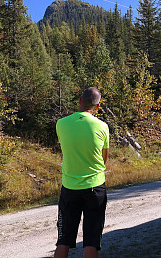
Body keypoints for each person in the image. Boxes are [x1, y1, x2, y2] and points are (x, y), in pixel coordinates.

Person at [54, 87, 110, 258]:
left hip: (69, 188)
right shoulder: (102, 126)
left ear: (79, 100)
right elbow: (104, 159)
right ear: (98, 105)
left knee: (63, 240)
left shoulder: (61, 124)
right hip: (95, 188)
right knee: (91, 242)